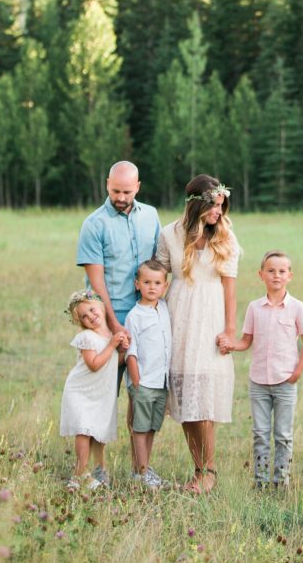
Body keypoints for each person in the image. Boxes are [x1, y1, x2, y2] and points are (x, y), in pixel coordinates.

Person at [156, 174, 240, 494]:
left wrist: (230, 330)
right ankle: (198, 469)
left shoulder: (225, 237)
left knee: (204, 395)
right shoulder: (170, 234)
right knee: (186, 394)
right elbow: (158, 274)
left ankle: (210, 471)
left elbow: (230, 288)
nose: (218, 212)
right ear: (196, 205)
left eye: (221, 206)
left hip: (211, 317)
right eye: (214, 206)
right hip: (178, 315)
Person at [220, 250, 303, 489]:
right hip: (258, 382)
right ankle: (260, 481)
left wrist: (297, 372)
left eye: (282, 271)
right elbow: (246, 340)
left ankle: (281, 481)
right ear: (261, 275)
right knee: (260, 433)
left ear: (290, 276)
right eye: (271, 271)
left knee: (283, 435)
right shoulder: (254, 308)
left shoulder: (297, 308)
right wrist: (231, 345)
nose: (276, 275)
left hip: (285, 382)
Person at [76, 161, 161, 336]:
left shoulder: (151, 215)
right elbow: (96, 282)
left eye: (127, 192)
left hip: (147, 310)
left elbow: (157, 264)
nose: (121, 198)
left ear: (137, 187)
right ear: (107, 184)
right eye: (116, 191)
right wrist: (113, 324)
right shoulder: (93, 225)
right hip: (111, 313)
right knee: (111, 363)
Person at [59, 289, 127, 490]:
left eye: (91, 310)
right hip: (81, 390)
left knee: (97, 430)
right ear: (80, 323)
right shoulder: (86, 337)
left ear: (102, 307)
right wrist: (113, 344)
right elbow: (95, 364)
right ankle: (79, 472)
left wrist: (124, 349)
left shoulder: (110, 335)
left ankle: (96, 469)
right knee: (84, 429)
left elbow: (114, 361)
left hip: (100, 392)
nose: (90, 317)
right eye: (84, 317)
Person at [124, 259, 172, 490]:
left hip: (161, 381)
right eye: (146, 282)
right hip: (144, 381)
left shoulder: (163, 308)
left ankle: (143, 468)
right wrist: (136, 382)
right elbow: (130, 353)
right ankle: (141, 473)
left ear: (164, 286)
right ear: (137, 284)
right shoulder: (135, 316)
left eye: (157, 283)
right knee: (140, 428)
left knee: (152, 426)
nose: (152, 287)